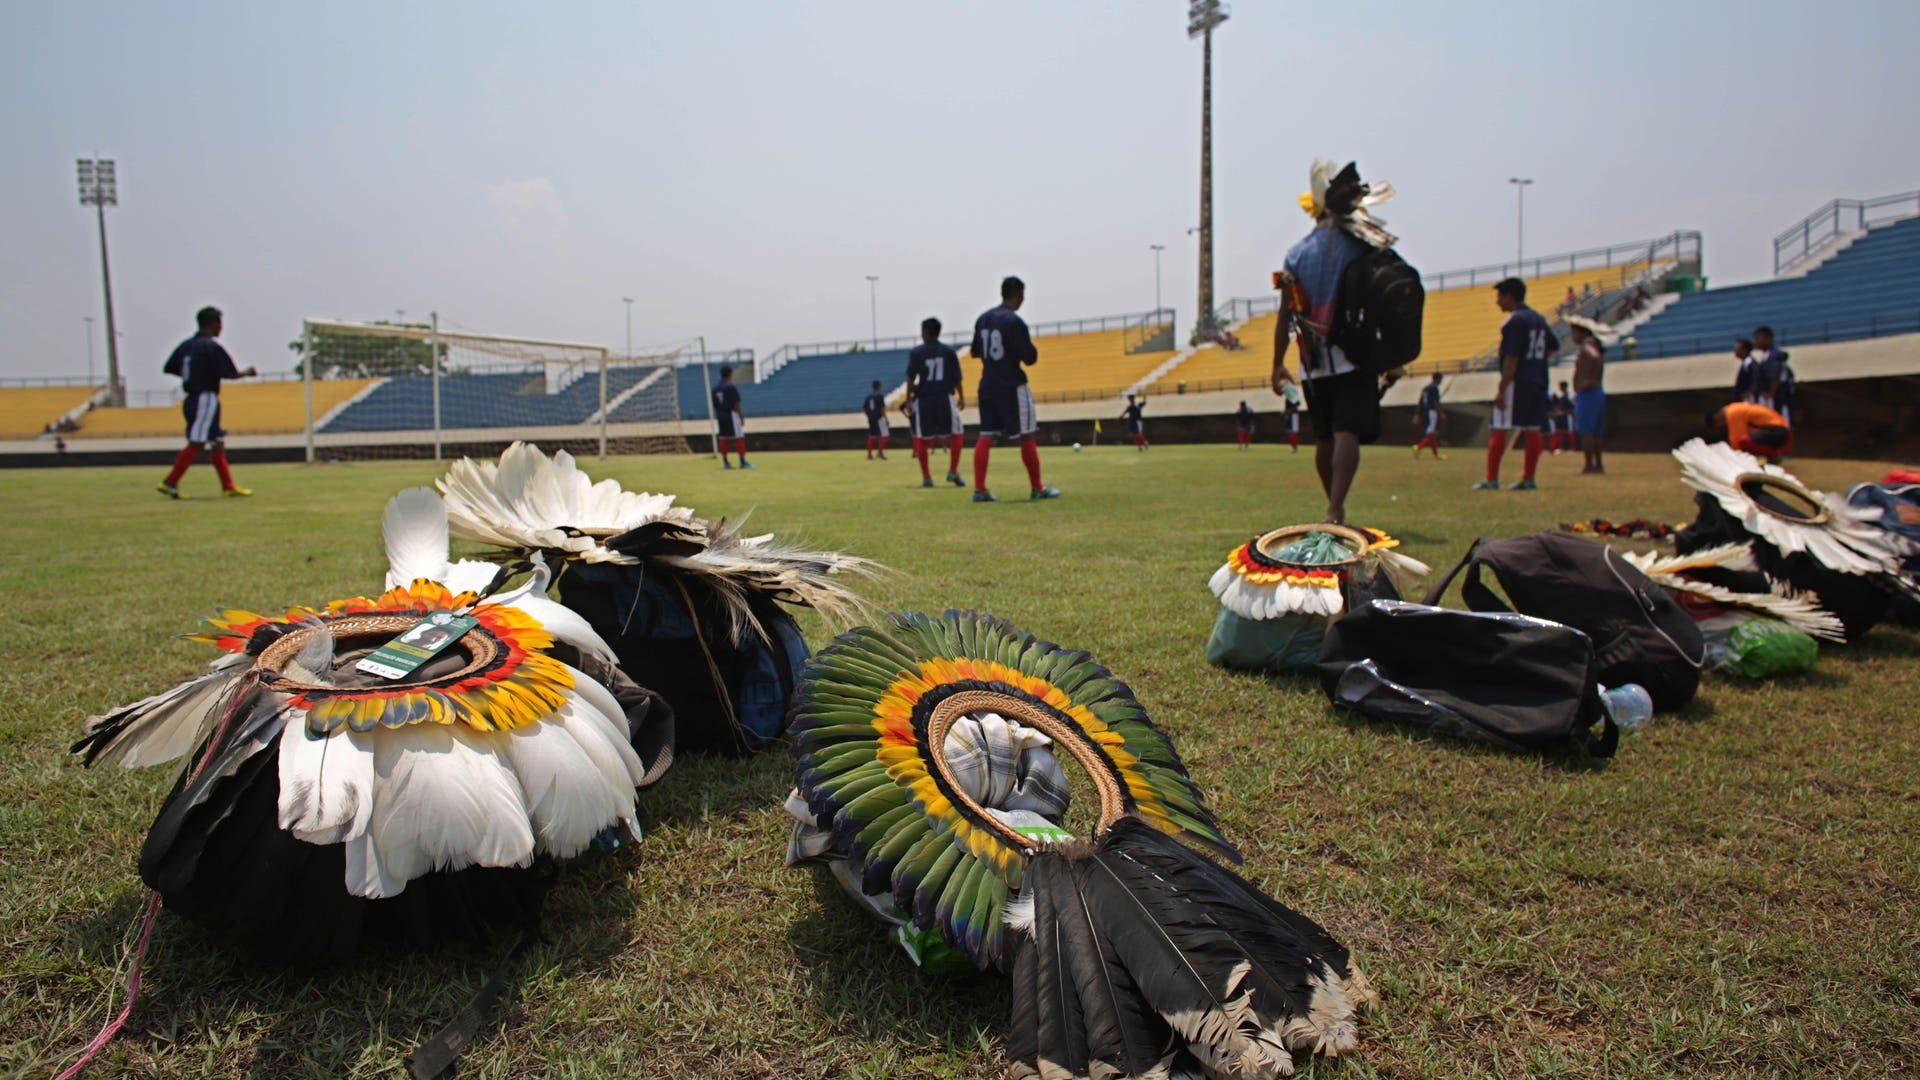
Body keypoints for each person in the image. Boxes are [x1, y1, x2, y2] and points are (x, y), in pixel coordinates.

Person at [1271, 158, 1396, 524]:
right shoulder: (1359, 245)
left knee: (1324, 437)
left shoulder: (1296, 253)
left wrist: (1277, 363)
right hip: (1352, 356)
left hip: (1312, 361)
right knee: (1346, 433)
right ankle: (1335, 507)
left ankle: (1334, 509)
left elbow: (1285, 314)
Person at [969, 276, 1060, 502]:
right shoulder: (1014, 321)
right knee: (1027, 433)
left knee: (986, 435)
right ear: (1019, 295)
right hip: (1011, 385)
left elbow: (974, 351)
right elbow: (1030, 358)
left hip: (988, 384)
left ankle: (979, 489)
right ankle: (1037, 487)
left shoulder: (983, 319)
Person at [157, 305, 257, 498]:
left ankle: (228, 486)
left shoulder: (186, 345)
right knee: (197, 442)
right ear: (213, 324)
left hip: (191, 398)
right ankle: (170, 482)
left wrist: (192, 374)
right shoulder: (211, 346)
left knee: (217, 442)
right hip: (205, 397)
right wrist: (248, 372)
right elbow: (230, 373)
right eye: (220, 323)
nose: (222, 328)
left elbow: (169, 367)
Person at [1474, 278, 1557, 491]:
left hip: (1517, 382)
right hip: (1537, 380)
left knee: (1499, 426)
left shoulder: (1515, 321)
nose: (1497, 302)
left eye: (1499, 297)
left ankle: (1492, 479)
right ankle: (1529, 478)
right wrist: (1535, 363)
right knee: (1532, 429)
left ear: (1510, 296)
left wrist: (1502, 389)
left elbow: (1512, 357)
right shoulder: (1538, 319)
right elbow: (1552, 345)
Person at [905, 317, 967, 488]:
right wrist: (961, 396)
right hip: (944, 397)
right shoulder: (948, 351)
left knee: (922, 437)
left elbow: (911, 378)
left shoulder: (917, 352)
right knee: (957, 432)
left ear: (925, 332)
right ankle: (953, 470)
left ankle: (926, 477)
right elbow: (957, 378)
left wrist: (908, 399)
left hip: (924, 399)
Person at [1568, 316, 1609, 474]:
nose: (1572, 337)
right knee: (1595, 432)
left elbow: (1594, 357)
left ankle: (1589, 465)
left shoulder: (1587, 344)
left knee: (1587, 432)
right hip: (1596, 392)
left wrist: (1588, 381)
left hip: (1588, 393)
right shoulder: (1593, 344)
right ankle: (1598, 464)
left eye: (1573, 333)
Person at [1712, 401, 1793, 460]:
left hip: (1778, 431)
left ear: (1717, 417)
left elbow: (1736, 440)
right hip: (1779, 431)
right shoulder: (1734, 408)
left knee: (1744, 441)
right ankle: (1772, 455)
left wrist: (1735, 458)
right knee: (1748, 439)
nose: (1722, 426)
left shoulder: (1732, 413)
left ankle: (1773, 456)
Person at [712, 365, 752, 469]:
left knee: (723, 438)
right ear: (730, 374)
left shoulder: (716, 388)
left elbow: (715, 405)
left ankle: (725, 462)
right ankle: (742, 462)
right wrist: (741, 417)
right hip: (731, 414)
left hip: (720, 415)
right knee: (739, 437)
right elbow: (736, 403)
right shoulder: (731, 386)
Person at [1752, 326, 1791, 415]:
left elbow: (1774, 375)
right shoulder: (1766, 356)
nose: (1755, 341)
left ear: (1768, 339)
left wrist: (1771, 393)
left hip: (1776, 400)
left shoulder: (1772, 355)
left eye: (1758, 338)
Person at [1412, 372, 1445, 459]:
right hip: (1432, 412)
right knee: (1431, 433)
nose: (1441, 381)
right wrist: (1441, 412)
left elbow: (1420, 401)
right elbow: (1435, 402)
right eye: (1441, 379)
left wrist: (1417, 414)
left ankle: (1436, 454)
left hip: (1425, 412)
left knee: (1432, 433)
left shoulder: (1426, 388)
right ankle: (1418, 447)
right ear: (1437, 379)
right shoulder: (1434, 388)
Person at [861, 380, 890, 460]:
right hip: (879, 418)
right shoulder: (879, 396)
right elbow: (882, 409)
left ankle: (869, 455)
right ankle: (879, 453)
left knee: (872, 436)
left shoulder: (868, 396)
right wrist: (886, 419)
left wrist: (869, 416)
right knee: (885, 435)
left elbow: (864, 409)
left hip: (871, 418)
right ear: (879, 386)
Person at [1548, 380, 1575, 453]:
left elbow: (1572, 407)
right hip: (1561, 417)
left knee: (1569, 432)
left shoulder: (1569, 396)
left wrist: (1564, 412)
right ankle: (1560, 448)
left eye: (1561, 386)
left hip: (1567, 416)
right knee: (1560, 432)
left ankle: (1572, 448)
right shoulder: (1560, 396)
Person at [1732, 338, 1758, 403]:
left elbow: (1757, 377)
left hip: (1749, 401)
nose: (1735, 351)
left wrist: (1750, 392)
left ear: (1744, 350)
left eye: (1737, 349)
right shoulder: (1745, 363)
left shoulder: (1749, 362)